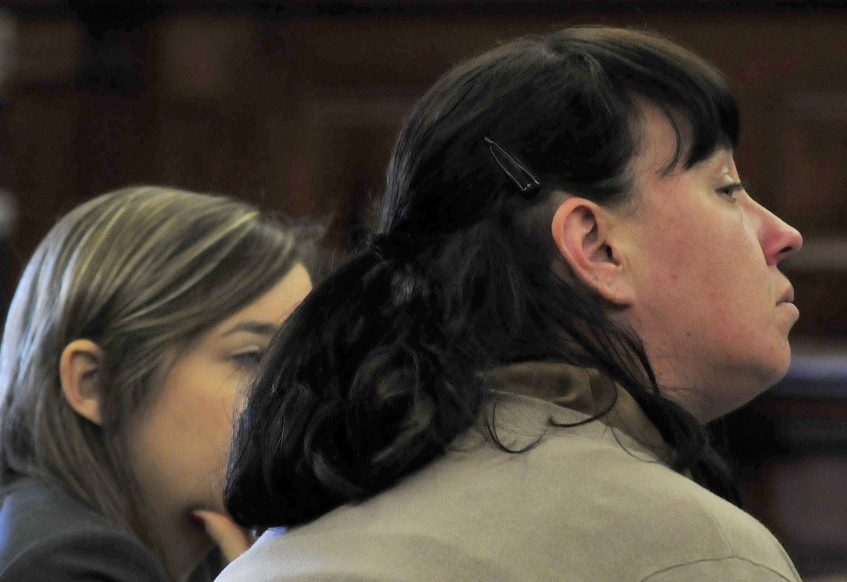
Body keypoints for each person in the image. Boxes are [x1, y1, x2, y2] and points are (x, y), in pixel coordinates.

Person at [221, 26, 803, 581]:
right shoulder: (695, 555)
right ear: (597, 247)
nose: (782, 234)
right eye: (727, 187)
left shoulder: (280, 548)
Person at [0, 186, 314, 581]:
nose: (298, 393)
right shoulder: (66, 562)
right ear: (95, 383)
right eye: (251, 357)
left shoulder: (207, 557)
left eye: (300, 361)